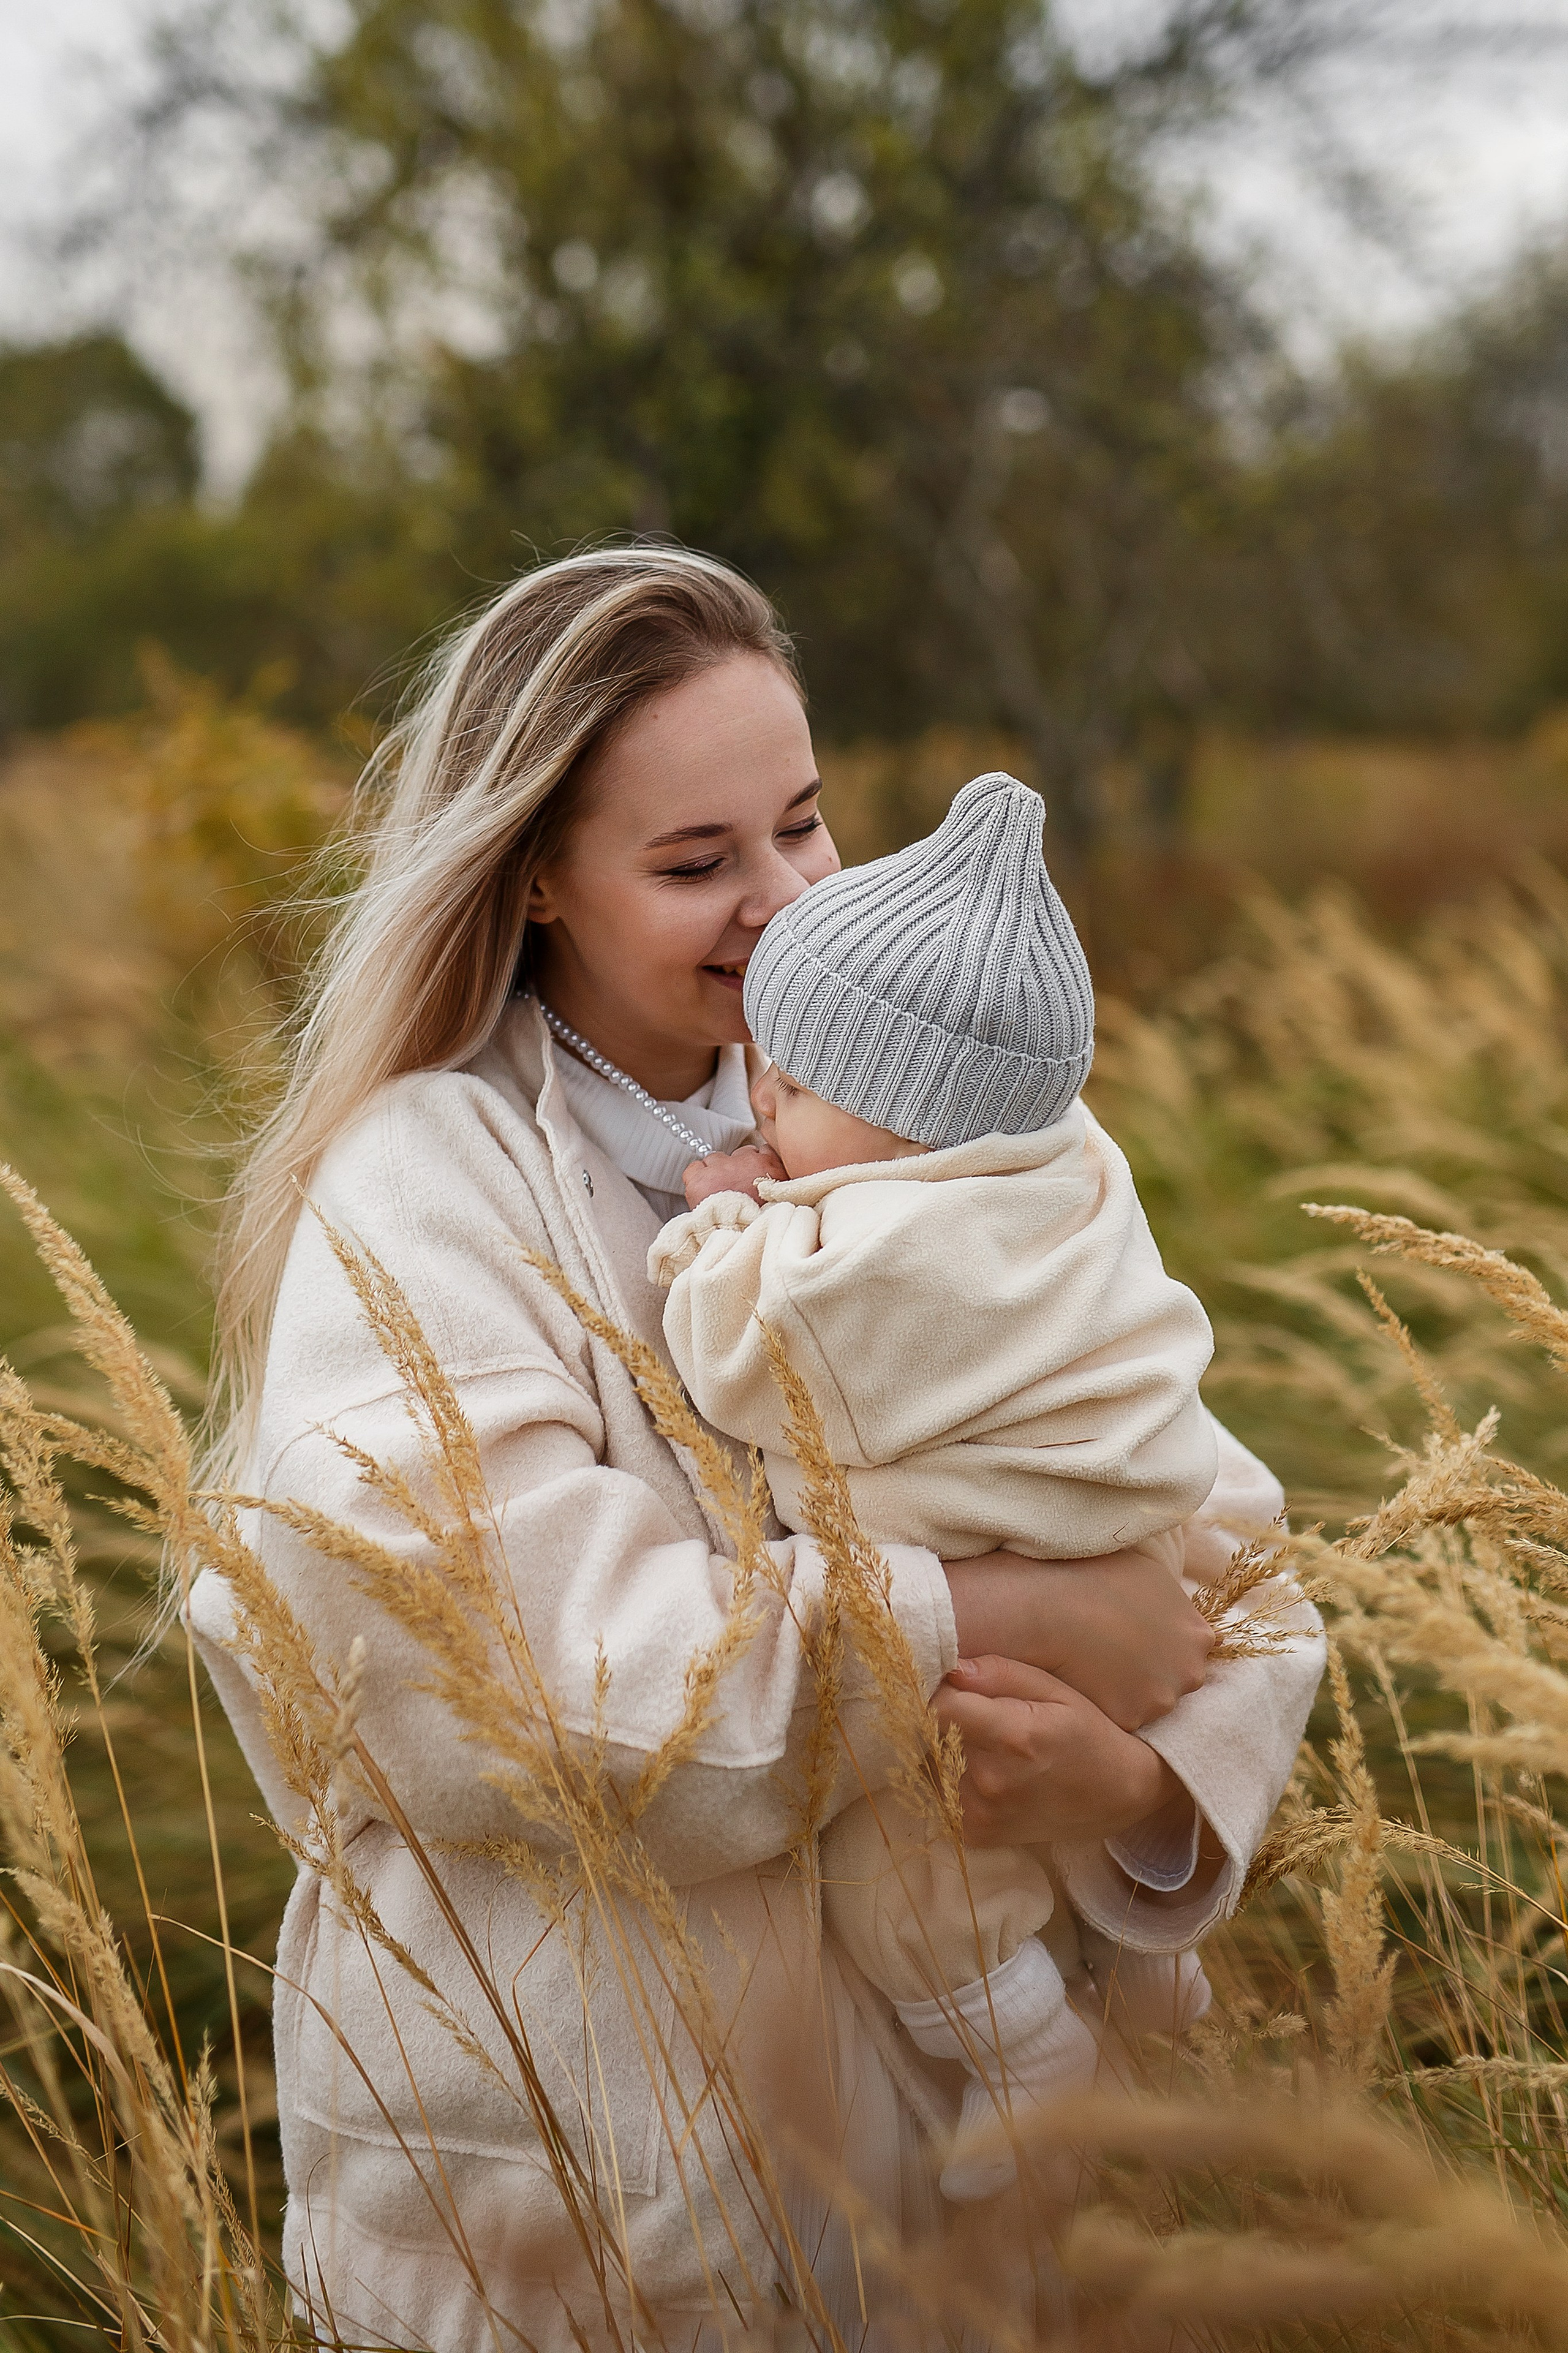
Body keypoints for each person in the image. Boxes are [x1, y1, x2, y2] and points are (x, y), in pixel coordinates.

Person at [185, 546, 1325, 2352]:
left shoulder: (941, 1119)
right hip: (595, 2236)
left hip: (958, 2229)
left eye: (804, 824)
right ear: (539, 874)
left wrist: (1137, 1787)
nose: (785, 901)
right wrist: (981, 1615)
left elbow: (1214, 1542)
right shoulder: (424, 1186)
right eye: (698, 861)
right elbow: (531, 1687)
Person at [650, 769, 1232, 2201]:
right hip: (1129, 1551)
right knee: (1065, 1851)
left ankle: (1028, 2057)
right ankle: (1161, 1983)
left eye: (792, 1085)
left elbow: (746, 1355)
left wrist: (721, 1222)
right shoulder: (1067, 1178)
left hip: (969, 1647)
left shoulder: (879, 1261)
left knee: (913, 1888)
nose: (758, 1096)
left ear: (918, 1138)